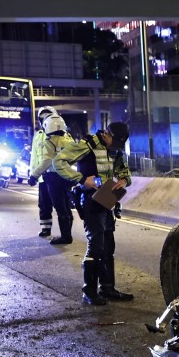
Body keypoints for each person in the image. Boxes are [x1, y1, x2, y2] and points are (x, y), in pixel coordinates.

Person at [51, 122, 134, 306]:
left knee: (108, 245)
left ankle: (107, 288)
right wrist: (81, 179)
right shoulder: (87, 145)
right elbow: (58, 162)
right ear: (106, 134)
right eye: (114, 143)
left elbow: (123, 169)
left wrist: (123, 180)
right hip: (89, 200)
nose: (115, 148)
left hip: (107, 199)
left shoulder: (116, 149)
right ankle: (89, 291)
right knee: (96, 244)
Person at [30, 113, 75, 240]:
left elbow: (47, 161)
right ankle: (68, 234)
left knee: (60, 207)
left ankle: (65, 236)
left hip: (53, 177)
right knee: (66, 206)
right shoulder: (69, 140)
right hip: (67, 176)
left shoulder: (50, 142)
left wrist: (34, 175)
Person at [29, 106, 59, 237]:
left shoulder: (59, 135)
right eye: (42, 118)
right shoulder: (38, 135)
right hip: (42, 176)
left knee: (60, 205)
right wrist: (32, 174)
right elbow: (34, 157)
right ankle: (46, 228)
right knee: (43, 204)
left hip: (56, 176)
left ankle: (66, 233)